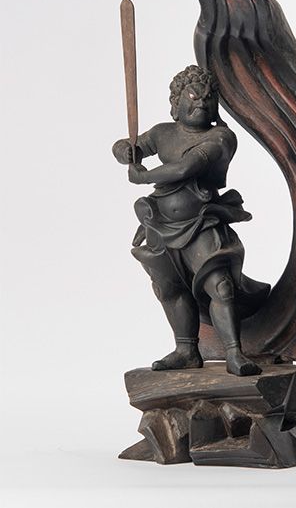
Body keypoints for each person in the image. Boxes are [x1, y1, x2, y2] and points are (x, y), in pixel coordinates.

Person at [113, 65, 269, 376]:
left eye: (209, 99)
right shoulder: (162, 133)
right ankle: (186, 349)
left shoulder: (221, 137)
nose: (202, 103)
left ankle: (234, 353)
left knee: (220, 286)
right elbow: (131, 147)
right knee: (169, 288)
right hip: (160, 224)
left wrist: (143, 176)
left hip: (202, 222)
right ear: (177, 102)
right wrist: (124, 150)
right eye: (195, 96)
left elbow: (187, 167)